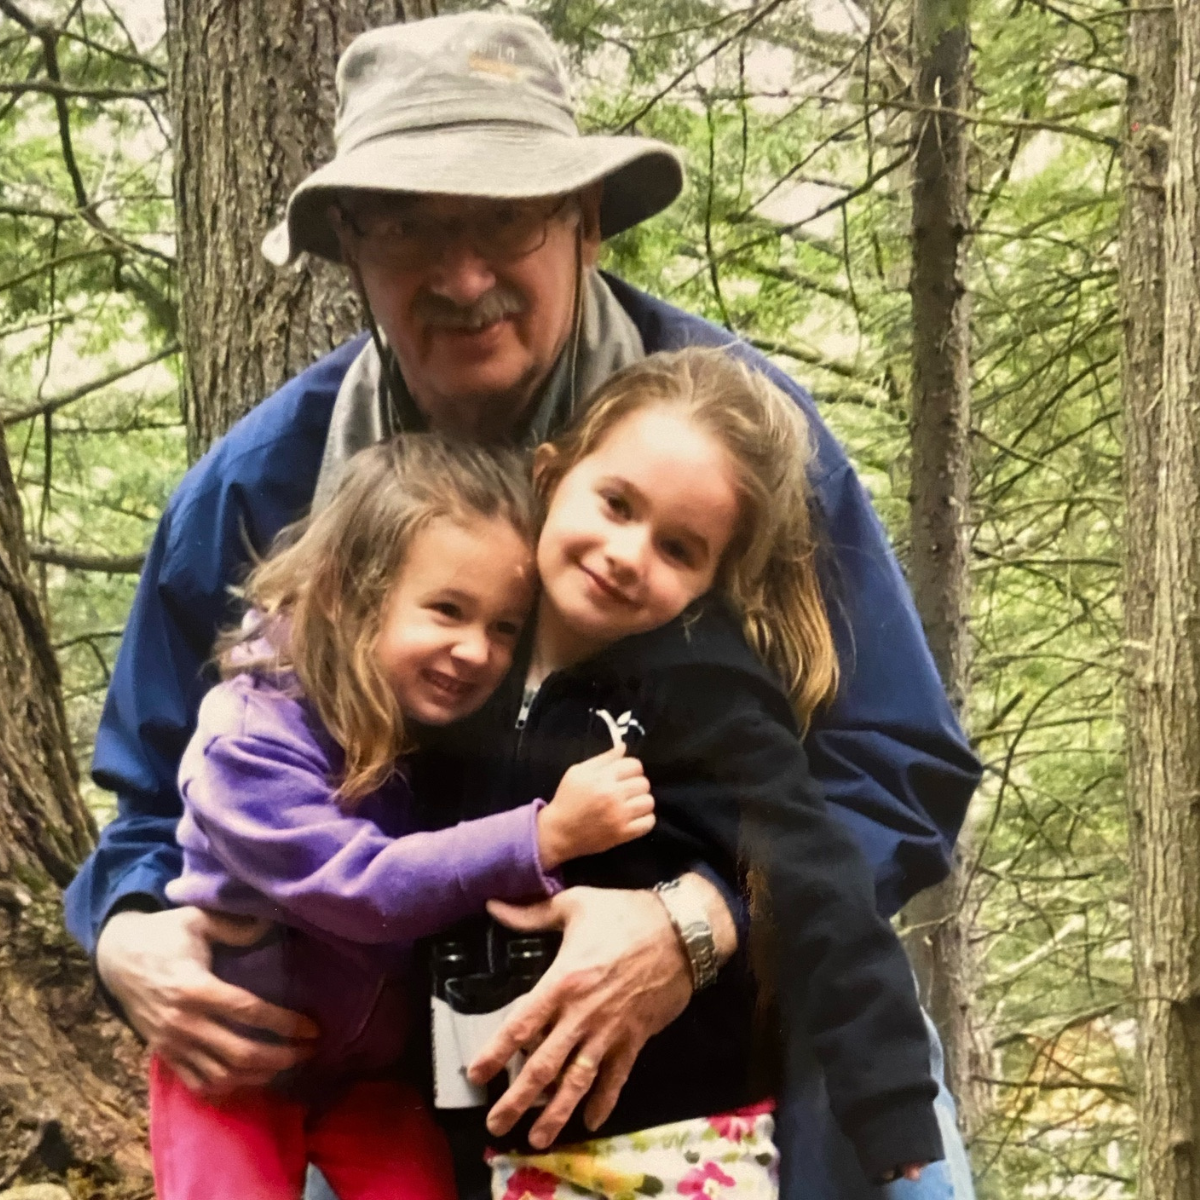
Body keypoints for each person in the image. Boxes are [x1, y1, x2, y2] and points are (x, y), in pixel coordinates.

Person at [62, 12, 983, 1200]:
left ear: (585, 222)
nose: (461, 275)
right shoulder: (262, 490)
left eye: (505, 219)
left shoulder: (740, 447)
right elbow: (146, 800)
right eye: (406, 223)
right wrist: (128, 934)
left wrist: (695, 927)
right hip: (397, 1089)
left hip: (760, 1057)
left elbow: (897, 765)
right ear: (349, 242)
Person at [438, 347, 943, 1199]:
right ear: (550, 476)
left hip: (670, 1150)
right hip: (486, 1142)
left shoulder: (705, 697)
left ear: (713, 581)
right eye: (615, 504)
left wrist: (889, 1095)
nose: (629, 554)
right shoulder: (464, 659)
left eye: (678, 548)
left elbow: (820, 879)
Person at [151, 434, 659, 1200]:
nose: (475, 651)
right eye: (448, 610)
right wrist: (543, 835)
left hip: (371, 1079)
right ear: (347, 594)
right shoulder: (248, 739)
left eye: (503, 628)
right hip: (233, 1066)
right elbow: (360, 888)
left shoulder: (419, 722)